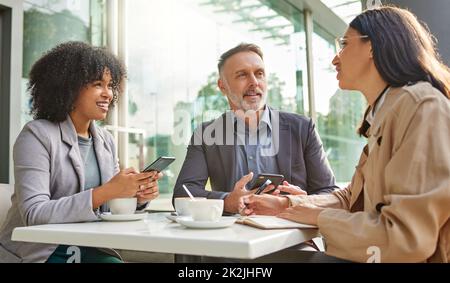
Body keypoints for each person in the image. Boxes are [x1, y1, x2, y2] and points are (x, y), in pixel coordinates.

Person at [246, 6, 450, 262]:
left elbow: (405, 238)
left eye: (343, 44)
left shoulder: (421, 107)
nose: (335, 58)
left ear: (373, 46)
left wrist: (317, 216)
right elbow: (351, 197)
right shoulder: (387, 111)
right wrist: (289, 205)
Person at [0, 42, 162, 263]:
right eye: (98, 84)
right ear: (68, 87)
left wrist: (136, 196)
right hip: (43, 252)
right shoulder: (36, 135)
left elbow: (107, 208)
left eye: (111, 85)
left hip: (91, 247)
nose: (108, 94)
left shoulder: (105, 140)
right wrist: (108, 191)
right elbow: (35, 214)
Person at [172, 43, 337, 214]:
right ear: (223, 86)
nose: (254, 82)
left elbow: (330, 193)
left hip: (292, 236)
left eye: (259, 73)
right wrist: (227, 201)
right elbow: (183, 194)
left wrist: (292, 202)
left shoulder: (302, 128)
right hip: (232, 237)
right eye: (242, 75)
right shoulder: (206, 134)